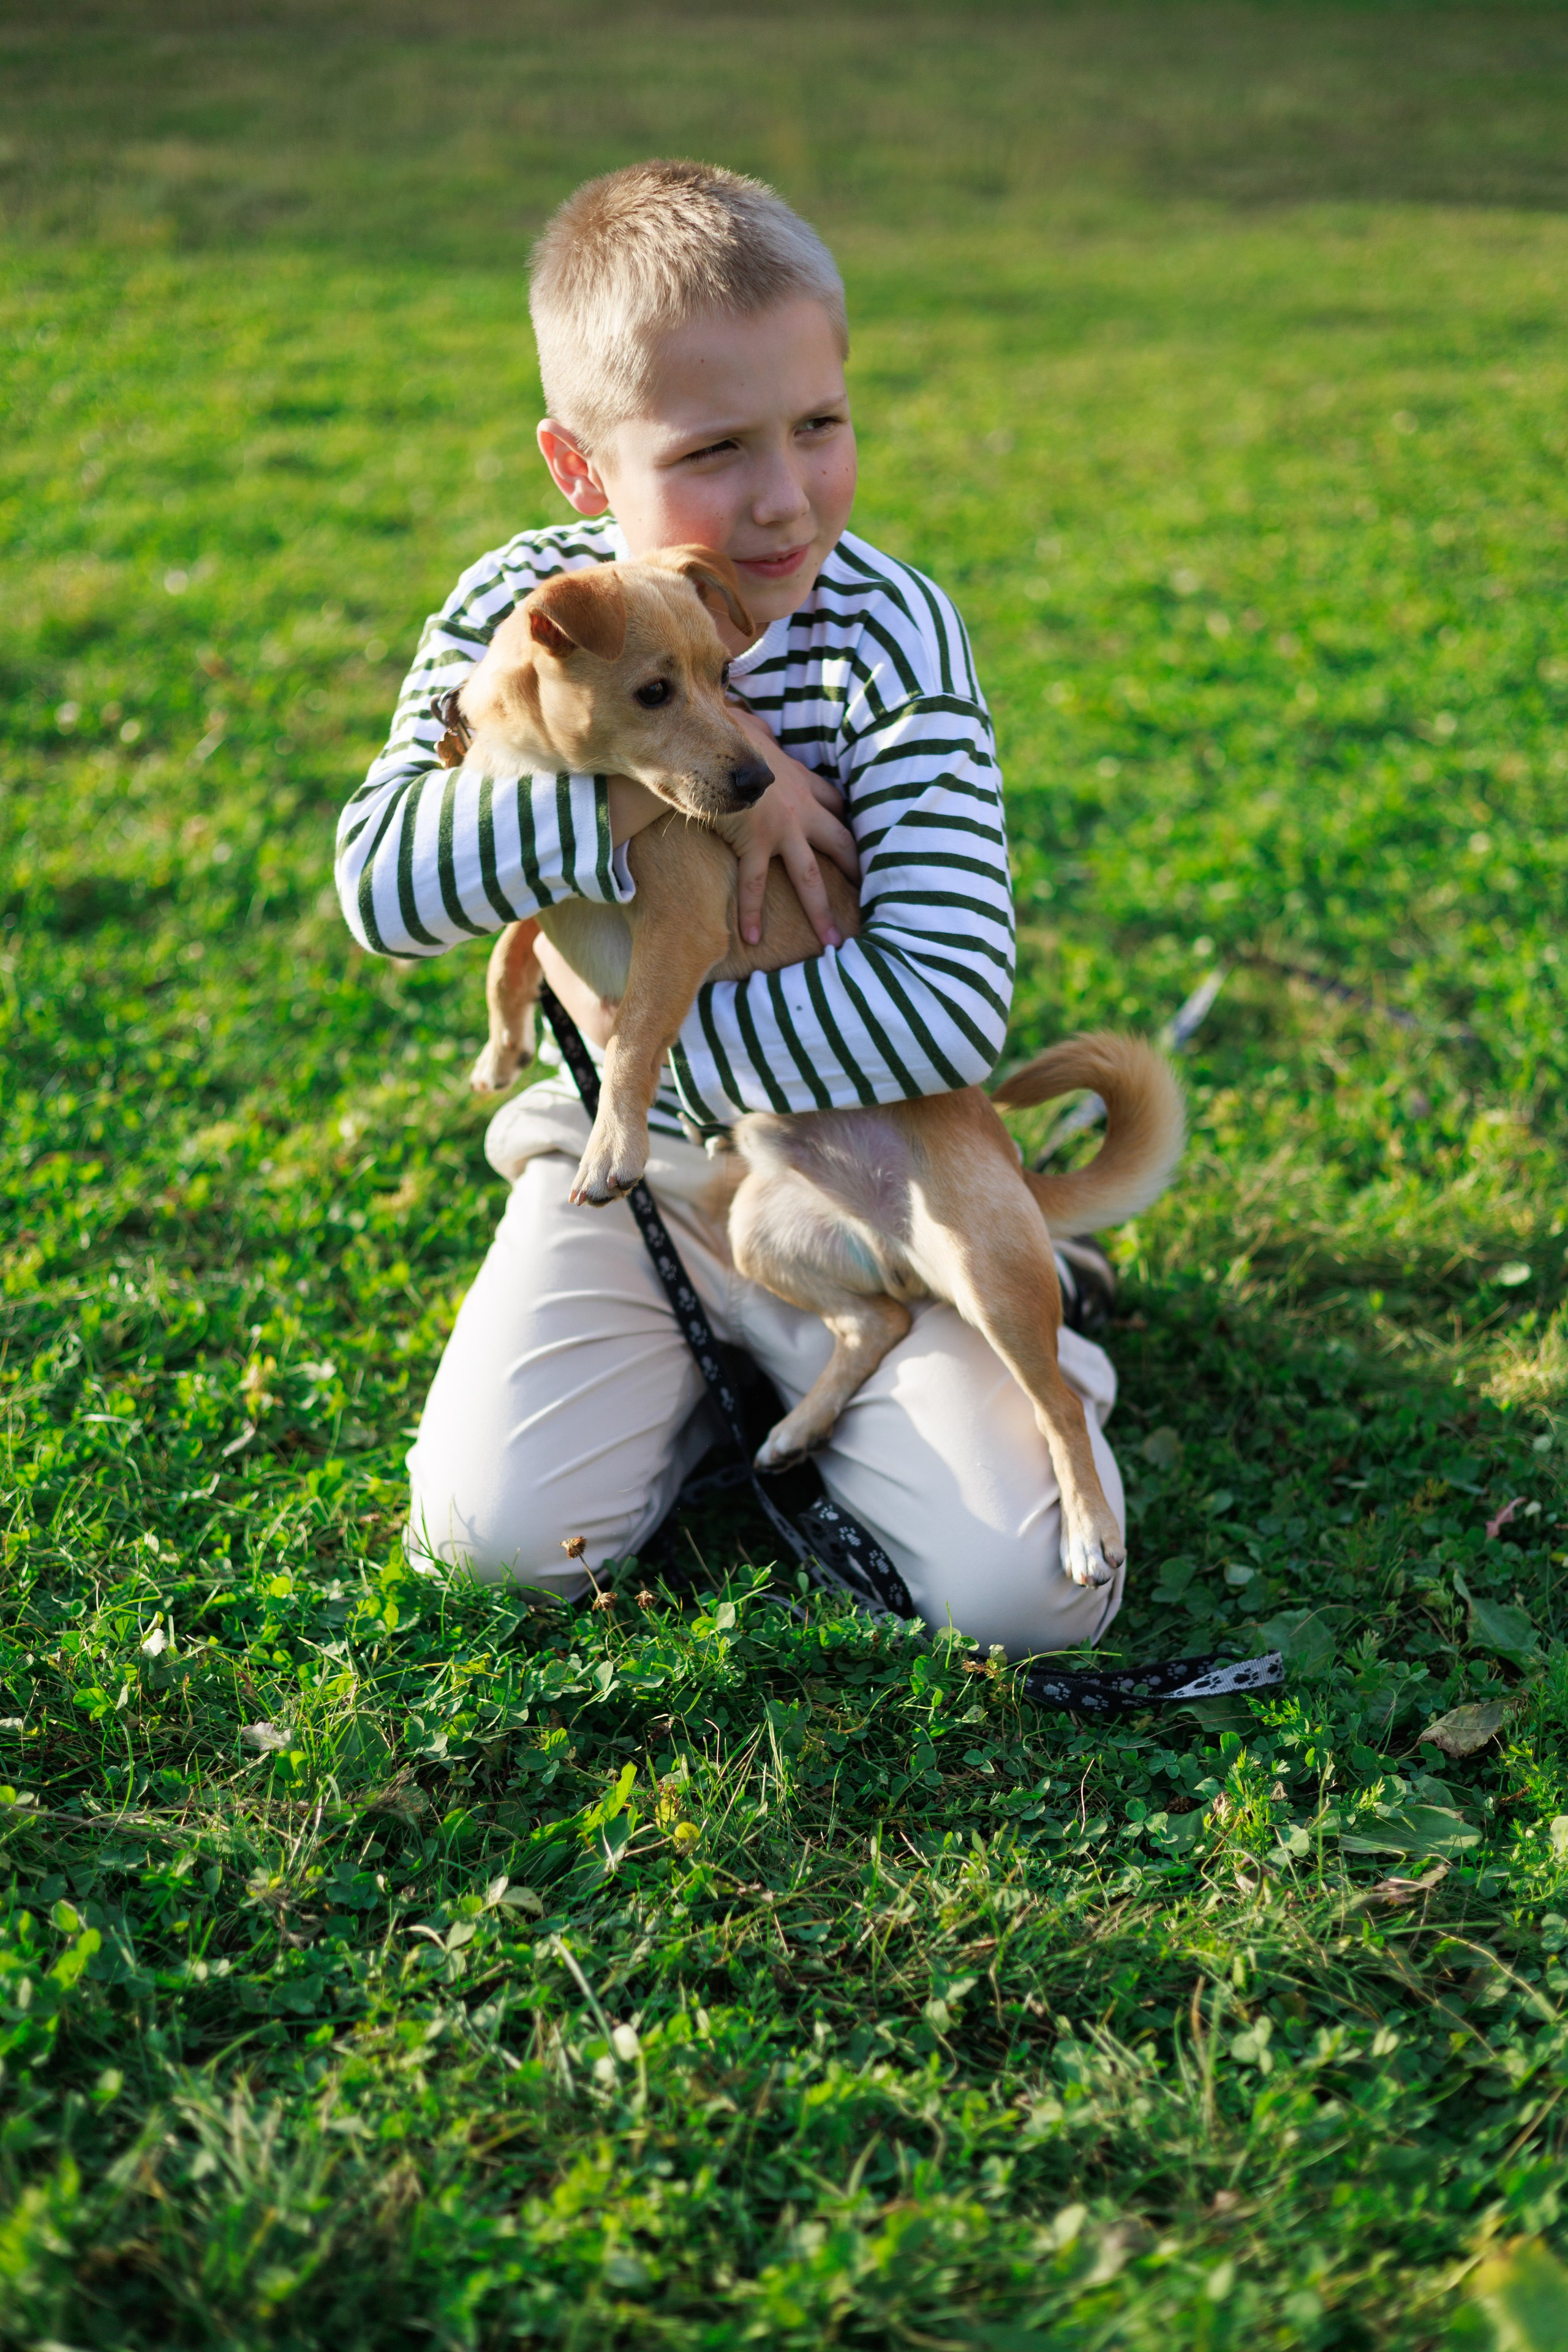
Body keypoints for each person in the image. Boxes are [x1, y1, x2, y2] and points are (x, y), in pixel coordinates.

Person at [335, 159, 1125, 1656]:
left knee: (1031, 1604)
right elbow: (383, 890)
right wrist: (662, 786)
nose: (780, 496)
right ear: (581, 472)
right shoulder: (515, 602)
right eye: (712, 449)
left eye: (818, 425)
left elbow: (949, 1008)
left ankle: (1025, 1309)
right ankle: (714, 1372)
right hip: (616, 1169)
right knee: (483, 1550)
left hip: (866, 1168)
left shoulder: (887, 629)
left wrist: (656, 1030)